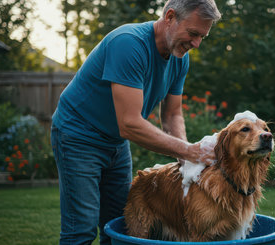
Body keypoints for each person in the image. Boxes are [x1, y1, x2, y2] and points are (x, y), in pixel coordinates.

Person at [50, 0, 221, 244]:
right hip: (78, 135)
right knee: (81, 228)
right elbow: (129, 124)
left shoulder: (179, 57)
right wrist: (188, 151)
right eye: (193, 33)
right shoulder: (129, 44)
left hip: (115, 143)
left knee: (119, 225)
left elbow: (172, 114)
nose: (195, 44)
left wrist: (185, 155)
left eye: (201, 37)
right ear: (170, 17)